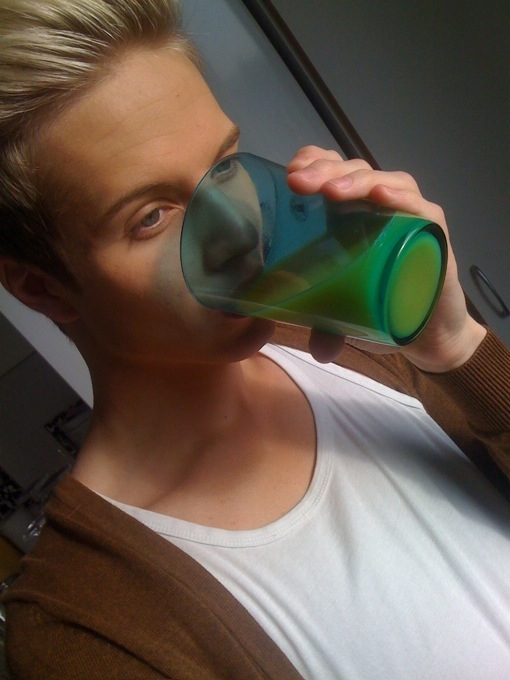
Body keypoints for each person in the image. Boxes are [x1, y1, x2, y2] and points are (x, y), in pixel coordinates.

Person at [0, 1, 509, 678]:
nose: (243, 230)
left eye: (226, 164)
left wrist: (455, 346)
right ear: (44, 288)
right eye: (152, 217)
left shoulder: (354, 345)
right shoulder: (85, 630)